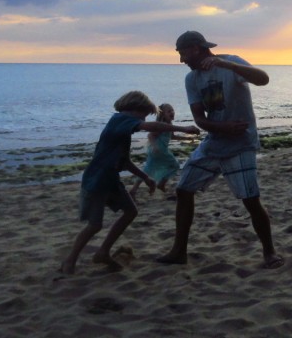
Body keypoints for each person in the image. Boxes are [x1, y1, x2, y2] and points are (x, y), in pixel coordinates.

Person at [157, 31, 284, 269]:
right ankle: (178, 251)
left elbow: (263, 79)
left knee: (250, 200)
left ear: (196, 48)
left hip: (241, 145)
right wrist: (223, 127)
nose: (181, 60)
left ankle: (269, 252)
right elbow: (200, 119)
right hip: (213, 144)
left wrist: (225, 64)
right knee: (184, 190)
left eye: (183, 53)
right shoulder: (192, 79)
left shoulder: (231, 61)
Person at [60, 91, 199, 275]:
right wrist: (183, 129)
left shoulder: (123, 130)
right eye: (143, 114)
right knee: (95, 225)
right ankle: (70, 260)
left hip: (111, 180)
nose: (142, 119)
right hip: (96, 180)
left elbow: (124, 161)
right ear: (134, 109)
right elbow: (148, 126)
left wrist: (145, 177)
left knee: (131, 211)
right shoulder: (120, 120)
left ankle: (103, 251)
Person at [130, 103, 182, 201]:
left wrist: (187, 138)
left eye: (172, 110)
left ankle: (133, 190)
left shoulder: (169, 125)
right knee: (175, 166)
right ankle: (161, 184)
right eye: (169, 111)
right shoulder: (161, 126)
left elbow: (173, 136)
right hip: (160, 150)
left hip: (157, 151)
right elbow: (150, 135)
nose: (172, 112)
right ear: (162, 115)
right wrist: (155, 146)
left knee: (147, 169)